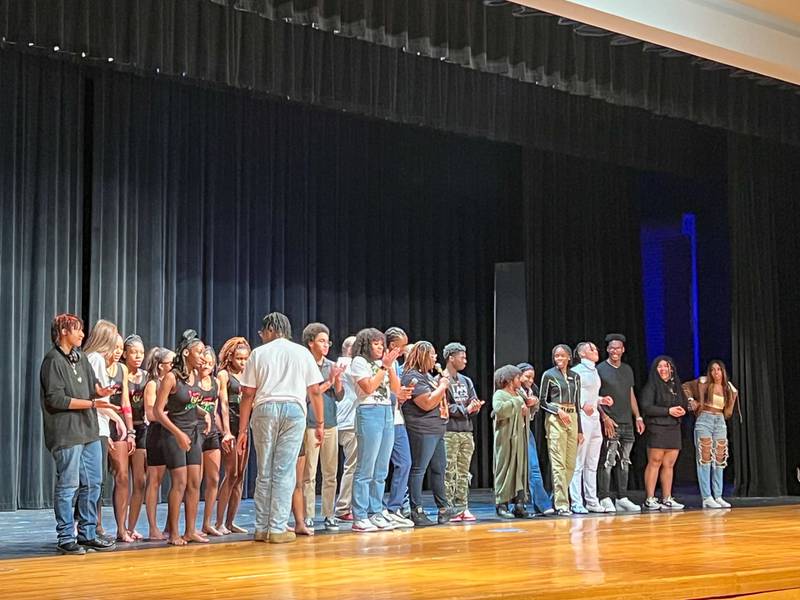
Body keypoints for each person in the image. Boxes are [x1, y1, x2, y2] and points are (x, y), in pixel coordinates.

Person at [235, 313, 324, 544]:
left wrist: (242, 430)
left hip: (264, 409)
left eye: (263, 332)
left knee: (264, 470)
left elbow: (247, 394)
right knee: (284, 471)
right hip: (294, 410)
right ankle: (277, 528)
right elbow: (314, 390)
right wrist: (321, 423)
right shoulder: (302, 352)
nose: (261, 336)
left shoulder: (258, 353)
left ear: (270, 329)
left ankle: (261, 528)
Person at [40, 313, 118, 554]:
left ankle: (87, 533)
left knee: (93, 483)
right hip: (66, 433)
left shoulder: (81, 358)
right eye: (78, 330)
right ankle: (66, 537)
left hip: (88, 431)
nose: (82, 335)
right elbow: (56, 399)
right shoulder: (53, 360)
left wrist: (101, 392)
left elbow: (92, 389)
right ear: (64, 331)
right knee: (69, 485)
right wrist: (94, 404)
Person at [155, 330, 211, 545]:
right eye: (199, 352)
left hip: (193, 432)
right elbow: (159, 411)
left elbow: (190, 404)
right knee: (179, 483)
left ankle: (190, 530)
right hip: (174, 433)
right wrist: (178, 434)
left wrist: (204, 413)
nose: (203, 357)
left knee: (195, 482)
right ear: (186, 353)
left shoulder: (194, 376)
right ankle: (175, 533)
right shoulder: (171, 377)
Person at [348, 328, 407, 532]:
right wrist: (384, 365)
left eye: (382, 343)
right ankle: (360, 515)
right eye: (376, 343)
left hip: (386, 411)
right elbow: (368, 388)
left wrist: (389, 367)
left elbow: (397, 391)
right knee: (366, 467)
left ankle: (376, 510)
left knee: (381, 468)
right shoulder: (359, 362)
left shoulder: (383, 364)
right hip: (368, 410)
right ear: (366, 344)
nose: (380, 346)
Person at [83, 320, 131, 540]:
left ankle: (91, 527)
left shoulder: (93, 359)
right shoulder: (96, 360)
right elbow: (98, 398)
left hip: (99, 424)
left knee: (95, 480)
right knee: (93, 481)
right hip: (96, 426)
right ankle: (89, 528)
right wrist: (117, 419)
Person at [401, 341, 456, 527]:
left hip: (437, 428)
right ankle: (416, 510)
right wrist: (442, 386)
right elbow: (426, 403)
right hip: (422, 429)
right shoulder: (412, 376)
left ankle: (443, 508)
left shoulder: (428, 376)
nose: (435, 358)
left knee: (439, 468)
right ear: (423, 356)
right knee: (418, 469)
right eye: (432, 355)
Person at [301, 323, 344, 531]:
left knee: (330, 472)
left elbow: (340, 396)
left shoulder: (331, 365)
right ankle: (308, 514)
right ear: (311, 343)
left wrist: (337, 380)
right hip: (310, 424)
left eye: (328, 341)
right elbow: (310, 395)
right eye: (321, 341)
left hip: (331, 423)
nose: (326, 345)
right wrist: (330, 380)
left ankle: (329, 513)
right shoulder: (304, 365)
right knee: (309, 472)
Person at [596, 333, 644, 513]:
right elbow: (595, 397)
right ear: (607, 350)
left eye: (618, 348)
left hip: (627, 422)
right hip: (611, 421)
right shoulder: (600, 369)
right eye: (612, 348)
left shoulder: (627, 369)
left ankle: (622, 497)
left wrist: (637, 416)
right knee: (608, 461)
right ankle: (604, 496)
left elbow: (630, 393)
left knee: (624, 461)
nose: (615, 351)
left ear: (623, 350)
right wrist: (604, 417)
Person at [683, 360, 739, 509]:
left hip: (720, 421)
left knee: (719, 459)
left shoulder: (728, 388)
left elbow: (727, 413)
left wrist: (733, 397)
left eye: (718, 369)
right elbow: (685, 387)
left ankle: (718, 496)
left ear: (723, 371)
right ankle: (707, 497)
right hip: (705, 419)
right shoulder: (704, 382)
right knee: (705, 457)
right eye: (713, 369)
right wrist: (691, 400)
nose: (716, 372)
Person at [569, 342, 614, 513]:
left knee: (592, 461)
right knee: (579, 461)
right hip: (582, 419)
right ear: (582, 354)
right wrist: (581, 405)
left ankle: (592, 500)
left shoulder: (594, 371)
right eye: (591, 349)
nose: (596, 350)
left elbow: (591, 395)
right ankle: (576, 501)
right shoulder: (577, 371)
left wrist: (601, 400)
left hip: (594, 418)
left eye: (595, 348)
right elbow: (573, 394)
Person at [539, 344, 584, 516]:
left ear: (569, 358)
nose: (559, 359)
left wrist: (580, 429)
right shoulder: (548, 375)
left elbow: (578, 404)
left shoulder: (575, 376)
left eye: (562, 356)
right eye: (556, 356)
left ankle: (559, 496)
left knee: (570, 464)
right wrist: (557, 410)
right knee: (558, 463)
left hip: (572, 416)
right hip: (556, 417)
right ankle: (562, 503)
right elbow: (543, 401)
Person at [640, 355, 688, 510]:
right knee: (655, 462)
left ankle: (667, 497)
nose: (663, 369)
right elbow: (647, 407)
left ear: (671, 369)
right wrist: (668, 411)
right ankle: (650, 498)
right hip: (657, 427)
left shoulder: (676, 386)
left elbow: (684, 403)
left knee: (669, 464)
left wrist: (682, 409)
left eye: (666, 366)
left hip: (673, 428)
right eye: (660, 366)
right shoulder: (651, 386)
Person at [442, 342, 483, 522]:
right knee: (449, 471)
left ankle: (462, 506)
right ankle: (449, 507)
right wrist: (465, 410)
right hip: (449, 431)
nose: (465, 360)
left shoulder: (466, 381)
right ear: (451, 358)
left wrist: (475, 406)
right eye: (462, 357)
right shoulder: (441, 379)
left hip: (466, 431)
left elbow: (472, 399)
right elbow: (444, 406)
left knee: (464, 471)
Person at [215, 337, 251, 533]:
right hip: (231, 427)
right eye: (239, 358)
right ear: (230, 357)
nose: (242, 362)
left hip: (244, 428)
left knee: (240, 477)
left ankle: (230, 521)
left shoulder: (249, 375)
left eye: (245, 358)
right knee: (231, 473)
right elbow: (223, 406)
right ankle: (219, 522)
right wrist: (226, 431)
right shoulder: (224, 375)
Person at [197, 346, 233, 536]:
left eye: (210, 364)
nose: (207, 367)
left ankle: (207, 522)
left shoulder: (215, 383)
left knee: (214, 478)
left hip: (211, 434)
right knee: (195, 481)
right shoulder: (192, 382)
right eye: (204, 363)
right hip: (194, 433)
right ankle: (188, 524)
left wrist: (224, 431)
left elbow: (219, 409)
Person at [142, 346, 174, 540]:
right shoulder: (153, 384)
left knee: (179, 481)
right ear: (161, 366)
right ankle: (153, 528)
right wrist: (173, 417)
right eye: (171, 363)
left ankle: (171, 526)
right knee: (155, 481)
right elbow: (151, 413)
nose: (174, 366)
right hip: (158, 435)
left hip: (174, 434)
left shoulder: (175, 382)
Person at [384, 327, 414, 525]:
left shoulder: (395, 364)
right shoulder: (383, 362)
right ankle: (375, 509)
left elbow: (395, 391)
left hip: (397, 418)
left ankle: (394, 508)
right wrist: (397, 394)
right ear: (393, 345)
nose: (404, 350)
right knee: (378, 468)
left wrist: (401, 395)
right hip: (383, 418)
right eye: (402, 346)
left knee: (405, 462)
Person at [492, 365, 529, 519]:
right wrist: (517, 402)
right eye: (517, 377)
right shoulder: (500, 394)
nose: (520, 380)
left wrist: (531, 405)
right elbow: (499, 410)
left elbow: (527, 408)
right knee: (505, 468)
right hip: (506, 438)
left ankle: (519, 503)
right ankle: (502, 503)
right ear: (508, 380)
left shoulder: (520, 393)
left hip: (520, 436)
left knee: (520, 468)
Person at [517, 363, 554, 516]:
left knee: (533, 467)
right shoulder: (512, 390)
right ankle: (514, 504)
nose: (530, 380)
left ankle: (542, 503)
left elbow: (532, 414)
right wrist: (526, 403)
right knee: (514, 471)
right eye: (527, 376)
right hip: (512, 432)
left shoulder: (533, 390)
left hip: (526, 431)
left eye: (532, 377)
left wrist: (534, 403)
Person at [122, 334, 147, 539]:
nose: (138, 356)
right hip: (121, 430)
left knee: (140, 480)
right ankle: (114, 526)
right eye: (134, 352)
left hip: (142, 431)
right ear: (125, 353)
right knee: (120, 479)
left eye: (141, 352)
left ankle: (131, 526)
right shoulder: (120, 374)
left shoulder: (146, 377)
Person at [333, 336, 358, 521]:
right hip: (350, 421)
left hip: (339, 419)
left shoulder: (338, 364)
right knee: (352, 466)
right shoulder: (348, 364)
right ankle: (343, 507)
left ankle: (343, 506)